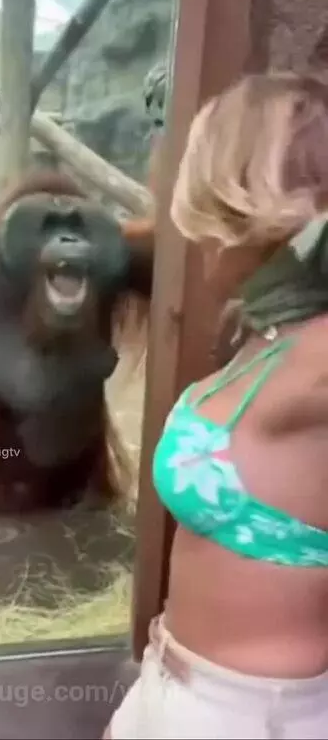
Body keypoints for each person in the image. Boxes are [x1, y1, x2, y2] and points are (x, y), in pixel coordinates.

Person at [104, 73, 328, 739]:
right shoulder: (262, 336)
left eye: (216, 216)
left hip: (254, 716)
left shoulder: (316, 360)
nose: (199, 237)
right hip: (170, 677)